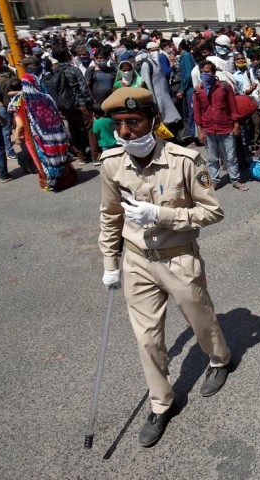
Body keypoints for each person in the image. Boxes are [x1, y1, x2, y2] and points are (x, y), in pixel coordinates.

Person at [98, 87, 233, 448]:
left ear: (154, 122)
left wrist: (161, 214)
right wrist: (111, 263)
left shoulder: (185, 160)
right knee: (147, 338)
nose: (126, 132)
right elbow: (110, 217)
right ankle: (162, 403)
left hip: (178, 257)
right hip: (137, 261)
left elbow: (212, 211)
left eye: (134, 122)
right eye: (119, 124)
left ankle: (220, 360)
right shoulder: (112, 163)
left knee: (200, 320)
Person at [12, 74, 76, 190]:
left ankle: (52, 180)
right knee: (60, 156)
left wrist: (20, 135)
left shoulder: (23, 101)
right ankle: (65, 179)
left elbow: (23, 120)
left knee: (45, 159)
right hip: (56, 134)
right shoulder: (46, 97)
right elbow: (56, 115)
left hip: (39, 136)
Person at [192, 60, 248, 191]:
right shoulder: (198, 91)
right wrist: (199, 131)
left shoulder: (224, 87)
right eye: (202, 72)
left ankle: (235, 179)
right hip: (209, 129)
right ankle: (215, 180)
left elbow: (233, 107)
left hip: (226, 127)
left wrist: (236, 125)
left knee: (231, 156)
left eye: (207, 72)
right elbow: (197, 113)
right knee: (212, 158)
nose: (204, 75)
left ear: (213, 73)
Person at [51, 47, 100, 164]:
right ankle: (95, 156)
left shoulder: (54, 71)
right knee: (90, 130)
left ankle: (81, 157)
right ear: (67, 56)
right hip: (80, 105)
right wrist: (91, 103)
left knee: (74, 131)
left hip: (65, 107)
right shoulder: (74, 70)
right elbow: (84, 88)